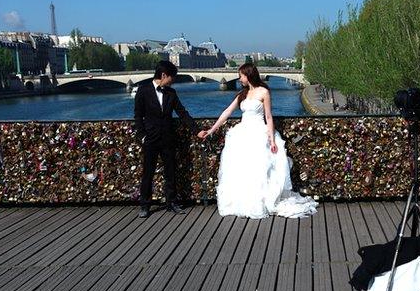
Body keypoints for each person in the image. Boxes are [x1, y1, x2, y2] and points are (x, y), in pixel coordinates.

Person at [199, 64, 318, 219]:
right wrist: (212, 129)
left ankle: (259, 202)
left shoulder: (264, 92)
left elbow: (268, 117)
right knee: (243, 169)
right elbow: (227, 111)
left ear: (248, 75)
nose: (239, 78)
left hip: (258, 133)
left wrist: (272, 140)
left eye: (241, 75)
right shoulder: (242, 94)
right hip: (242, 133)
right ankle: (244, 201)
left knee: (259, 169)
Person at [134, 60, 200, 218]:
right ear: (163, 75)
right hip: (150, 138)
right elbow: (137, 116)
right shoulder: (143, 90)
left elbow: (182, 113)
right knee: (147, 173)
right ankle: (145, 205)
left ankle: (171, 202)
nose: (173, 81)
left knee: (171, 172)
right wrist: (142, 136)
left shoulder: (172, 93)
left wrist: (196, 130)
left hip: (168, 138)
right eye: (172, 77)